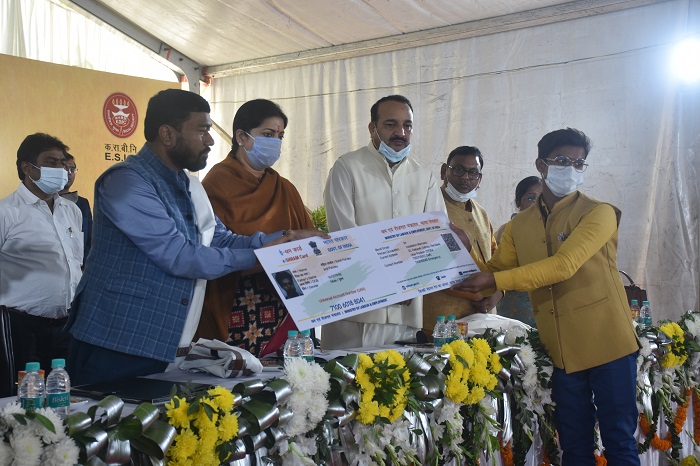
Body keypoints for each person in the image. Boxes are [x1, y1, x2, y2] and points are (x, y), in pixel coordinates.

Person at [66, 89, 324, 385]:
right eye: (202, 131)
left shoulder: (188, 185)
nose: (210, 140)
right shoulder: (126, 182)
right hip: (116, 340)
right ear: (167, 134)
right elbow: (179, 256)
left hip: (166, 340)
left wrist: (288, 239)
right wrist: (262, 257)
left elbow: (220, 239)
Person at [453, 128, 640, 466]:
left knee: (619, 444)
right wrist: (460, 251)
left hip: (609, 344)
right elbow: (496, 270)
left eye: (579, 163)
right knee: (573, 446)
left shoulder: (599, 213)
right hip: (562, 352)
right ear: (541, 164)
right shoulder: (519, 225)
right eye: (563, 160)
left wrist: (493, 279)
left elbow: (563, 266)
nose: (571, 168)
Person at [322, 94, 446, 349]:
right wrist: (387, 285)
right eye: (391, 124)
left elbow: (436, 237)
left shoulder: (424, 176)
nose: (400, 132)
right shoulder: (347, 167)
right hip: (356, 309)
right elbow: (344, 236)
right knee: (350, 373)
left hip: (406, 313)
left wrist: (407, 283)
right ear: (372, 128)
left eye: (407, 125)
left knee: (399, 375)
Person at [196, 99, 315, 357]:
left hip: (285, 300)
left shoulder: (285, 188)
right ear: (241, 136)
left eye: (280, 136)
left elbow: (308, 246)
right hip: (237, 302)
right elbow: (214, 246)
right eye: (268, 134)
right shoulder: (216, 184)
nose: (276, 143)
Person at [0, 133, 83, 385]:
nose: (61, 170)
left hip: (67, 325)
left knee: (66, 394)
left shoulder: (72, 210)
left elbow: (76, 261)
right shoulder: (6, 212)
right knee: (26, 399)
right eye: (51, 163)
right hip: (21, 326)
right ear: (27, 168)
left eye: (63, 163)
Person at [422, 146, 502, 335]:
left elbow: (498, 257)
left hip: (484, 318)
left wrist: (499, 293)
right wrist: (479, 294)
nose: (466, 177)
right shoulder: (430, 208)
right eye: (458, 170)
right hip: (442, 320)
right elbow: (429, 266)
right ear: (444, 171)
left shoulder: (481, 213)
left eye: (473, 173)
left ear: (480, 178)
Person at [493, 176, 542, 327]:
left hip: (547, 306)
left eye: (541, 197)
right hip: (515, 308)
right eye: (530, 198)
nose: (537, 203)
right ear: (518, 203)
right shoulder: (507, 231)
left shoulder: (554, 230)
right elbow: (497, 268)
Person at [59, 153, 93, 265]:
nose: (69, 173)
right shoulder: (42, 201)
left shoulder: (82, 203)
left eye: (72, 169)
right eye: (65, 168)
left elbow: (90, 239)